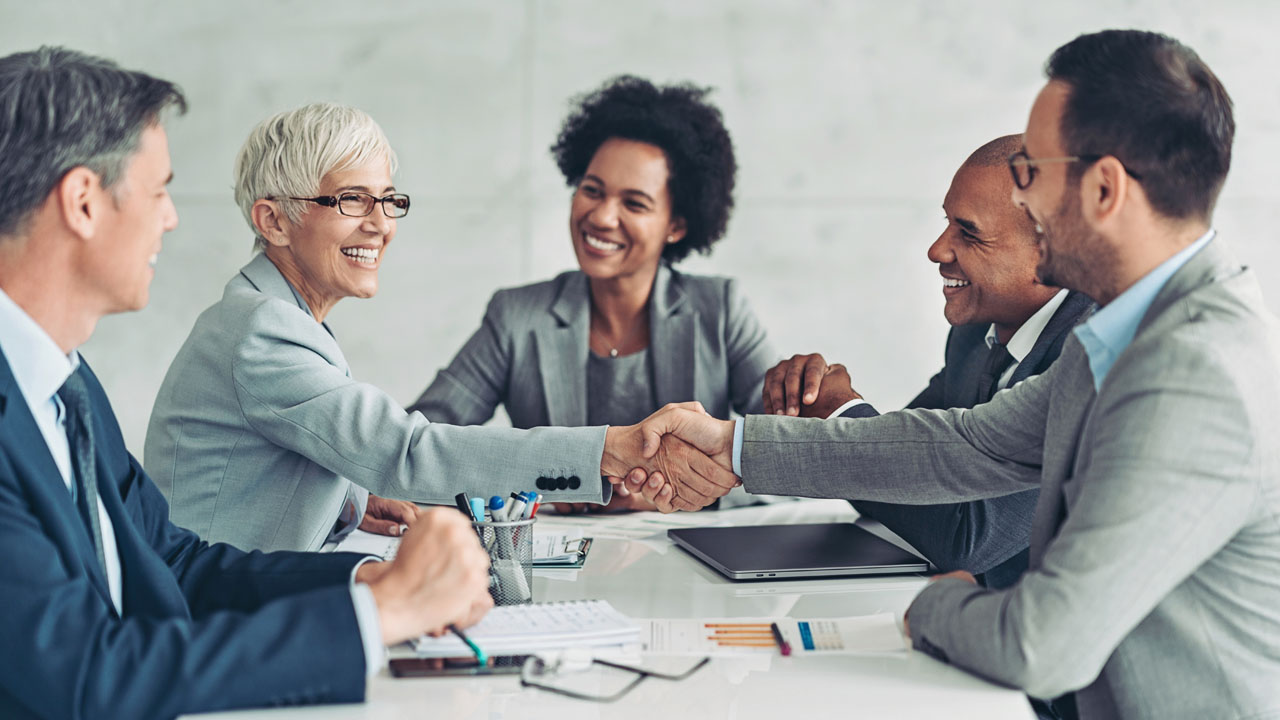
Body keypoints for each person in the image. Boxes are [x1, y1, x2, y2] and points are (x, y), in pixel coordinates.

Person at [632, 30, 1280, 718]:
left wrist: (938, 603)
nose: (1021, 198)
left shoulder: (1192, 374)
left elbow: (1040, 645)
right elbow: (966, 443)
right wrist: (732, 443)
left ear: (1103, 188)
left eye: (1030, 171)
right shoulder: (1133, 331)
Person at [0, 46, 495, 719]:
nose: (171, 218)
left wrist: (367, 581)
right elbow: (86, 677)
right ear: (84, 203)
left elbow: (176, 565)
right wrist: (380, 613)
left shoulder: (65, 381)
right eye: (159, 190)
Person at [144, 101, 732, 552]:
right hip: (213, 611)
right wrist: (612, 450)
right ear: (273, 221)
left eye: (387, 201)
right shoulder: (262, 332)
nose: (381, 226)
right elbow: (409, 449)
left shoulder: (274, 316)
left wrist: (350, 502)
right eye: (352, 200)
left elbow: (279, 462)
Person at [409, 76, 776, 513]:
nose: (601, 217)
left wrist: (673, 495)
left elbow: (789, 462)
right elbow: (421, 446)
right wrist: (545, 488)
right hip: (555, 571)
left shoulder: (721, 311)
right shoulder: (517, 317)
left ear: (677, 225)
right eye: (592, 190)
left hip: (695, 568)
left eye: (634, 204)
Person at [761, 134, 1094, 589]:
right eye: (946, 224)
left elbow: (967, 537)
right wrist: (819, 406)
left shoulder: (1091, 354)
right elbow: (898, 476)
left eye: (969, 232)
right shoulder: (973, 335)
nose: (937, 250)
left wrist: (840, 415)